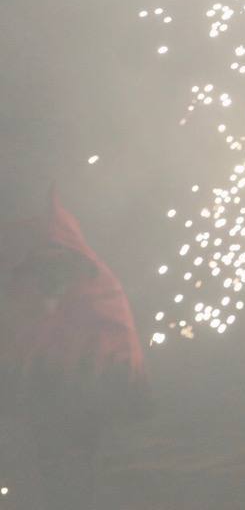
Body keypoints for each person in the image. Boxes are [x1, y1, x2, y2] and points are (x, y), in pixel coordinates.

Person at [0, 193, 148, 510]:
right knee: (52, 467)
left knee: (80, 466)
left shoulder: (95, 284)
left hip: (91, 390)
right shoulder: (28, 284)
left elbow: (109, 335)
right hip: (48, 392)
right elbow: (23, 337)